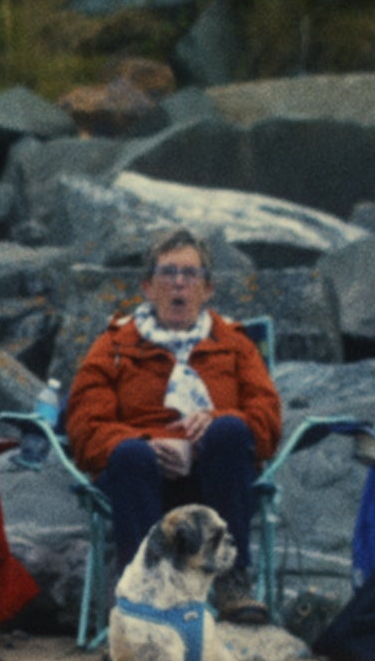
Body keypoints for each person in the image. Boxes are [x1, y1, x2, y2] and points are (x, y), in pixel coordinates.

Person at [61, 228, 283, 625]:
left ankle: (230, 580)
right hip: (140, 477)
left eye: (190, 274)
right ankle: (145, 594)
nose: (179, 283)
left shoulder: (235, 344)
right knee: (129, 455)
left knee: (231, 433)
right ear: (148, 286)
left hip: (216, 476)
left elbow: (267, 425)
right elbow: (84, 430)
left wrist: (210, 428)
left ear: (207, 288)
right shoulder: (113, 346)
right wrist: (150, 443)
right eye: (167, 273)